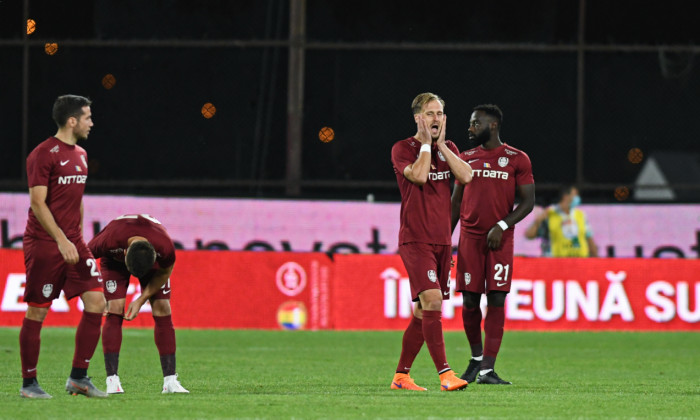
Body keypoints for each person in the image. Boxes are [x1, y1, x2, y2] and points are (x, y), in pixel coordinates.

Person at [20, 94, 108, 398]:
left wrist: (78, 239)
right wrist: (61, 240)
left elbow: (77, 200)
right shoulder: (42, 154)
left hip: (73, 243)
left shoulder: (82, 154)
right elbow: (37, 203)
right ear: (72, 121)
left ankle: (78, 378)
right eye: (87, 117)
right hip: (46, 243)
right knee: (38, 312)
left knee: (97, 303)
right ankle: (29, 384)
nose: (91, 123)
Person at [389, 92, 473, 391]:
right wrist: (426, 145)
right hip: (415, 239)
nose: (436, 118)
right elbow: (421, 176)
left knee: (424, 311)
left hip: (442, 242)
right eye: (430, 113)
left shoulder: (448, 147)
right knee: (433, 300)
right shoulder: (403, 148)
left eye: (440, 113)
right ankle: (446, 375)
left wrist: (441, 147)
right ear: (417, 118)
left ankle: (401, 376)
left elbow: (467, 175)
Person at [450, 104, 535, 385]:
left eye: (475, 124)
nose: (470, 128)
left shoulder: (516, 158)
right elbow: (455, 203)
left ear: (493, 125)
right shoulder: (466, 158)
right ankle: (476, 359)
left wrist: (502, 224)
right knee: (470, 300)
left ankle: (488, 369)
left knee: (497, 297)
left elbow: (528, 202)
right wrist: (442, 242)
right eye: (471, 123)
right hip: (470, 239)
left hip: (500, 240)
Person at [88, 213, 189, 394]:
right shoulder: (107, 240)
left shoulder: (165, 247)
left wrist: (142, 299)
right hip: (113, 261)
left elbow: (165, 272)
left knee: (162, 307)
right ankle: (112, 380)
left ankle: (170, 382)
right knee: (115, 308)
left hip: (150, 260)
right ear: (125, 253)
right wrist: (95, 294)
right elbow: (82, 262)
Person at [524, 185, 598, 257]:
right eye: (575, 195)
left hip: (580, 262)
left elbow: (589, 238)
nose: (577, 198)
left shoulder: (581, 215)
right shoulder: (550, 214)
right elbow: (529, 235)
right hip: (557, 263)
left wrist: (596, 257)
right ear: (565, 196)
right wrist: (538, 221)